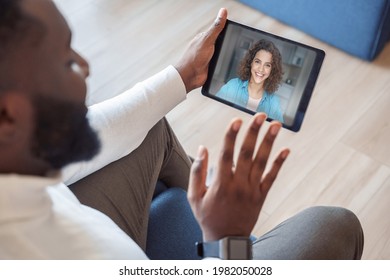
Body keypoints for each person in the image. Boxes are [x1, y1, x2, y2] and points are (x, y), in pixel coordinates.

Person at [0, 0, 363, 260]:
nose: (86, 67)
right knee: (335, 226)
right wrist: (226, 241)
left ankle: (208, 208)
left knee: (148, 131)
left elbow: (94, 128)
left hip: (66, 205)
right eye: (66, 61)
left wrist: (182, 76)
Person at [216, 39, 284, 122]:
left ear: (272, 70)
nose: (261, 69)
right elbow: (214, 111)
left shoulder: (274, 103)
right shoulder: (232, 86)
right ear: (251, 63)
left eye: (267, 65)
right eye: (257, 62)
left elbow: (279, 131)